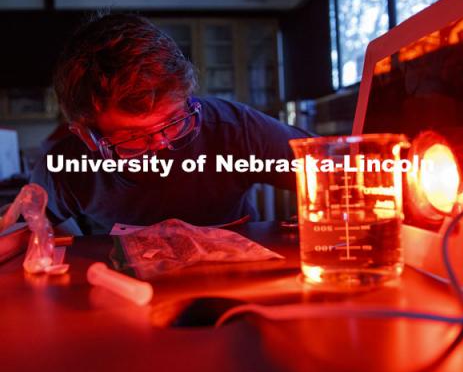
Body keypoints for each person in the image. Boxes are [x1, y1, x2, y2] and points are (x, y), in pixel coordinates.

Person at [31, 13, 311, 234]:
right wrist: (80, 251)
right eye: (134, 138)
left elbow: (334, 170)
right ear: (87, 136)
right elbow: (33, 223)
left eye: (174, 121)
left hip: (238, 281)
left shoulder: (233, 129)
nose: (163, 147)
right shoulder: (65, 169)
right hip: (129, 291)